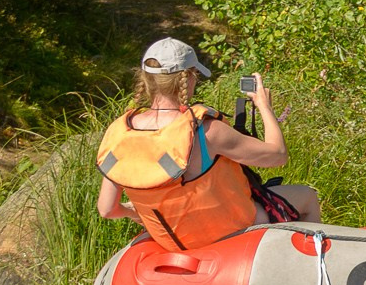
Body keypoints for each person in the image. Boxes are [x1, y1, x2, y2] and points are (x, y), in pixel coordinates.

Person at [95, 38, 321, 244]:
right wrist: (264, 106)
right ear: (189, 78)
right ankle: (314, 270)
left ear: (146, 79)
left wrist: (135, 212)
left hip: (174, 240)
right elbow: (278, 155)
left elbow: (107, 210)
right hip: (231, 230)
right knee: (307, 196)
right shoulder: (206, 131)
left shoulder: (119, 133)